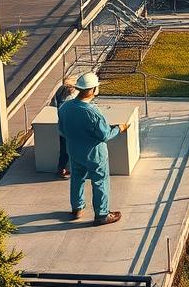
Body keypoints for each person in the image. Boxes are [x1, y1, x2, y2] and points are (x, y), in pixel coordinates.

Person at [57, 71, 130, 226]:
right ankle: (102, 214)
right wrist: (119, 128)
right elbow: (104, 135)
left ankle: (77, 208)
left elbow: (62, 131)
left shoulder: (65, 108)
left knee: (77, 179)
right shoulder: (92, 112)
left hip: (75, 152)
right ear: (92, 90)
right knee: (100, 182)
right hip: (95, 154)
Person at [52, 76, 77, 178]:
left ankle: (61, 168)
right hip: (73, 125)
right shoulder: (73, 92)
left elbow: (53, 105)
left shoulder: (59, 91)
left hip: (62, 124)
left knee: (64, 148)